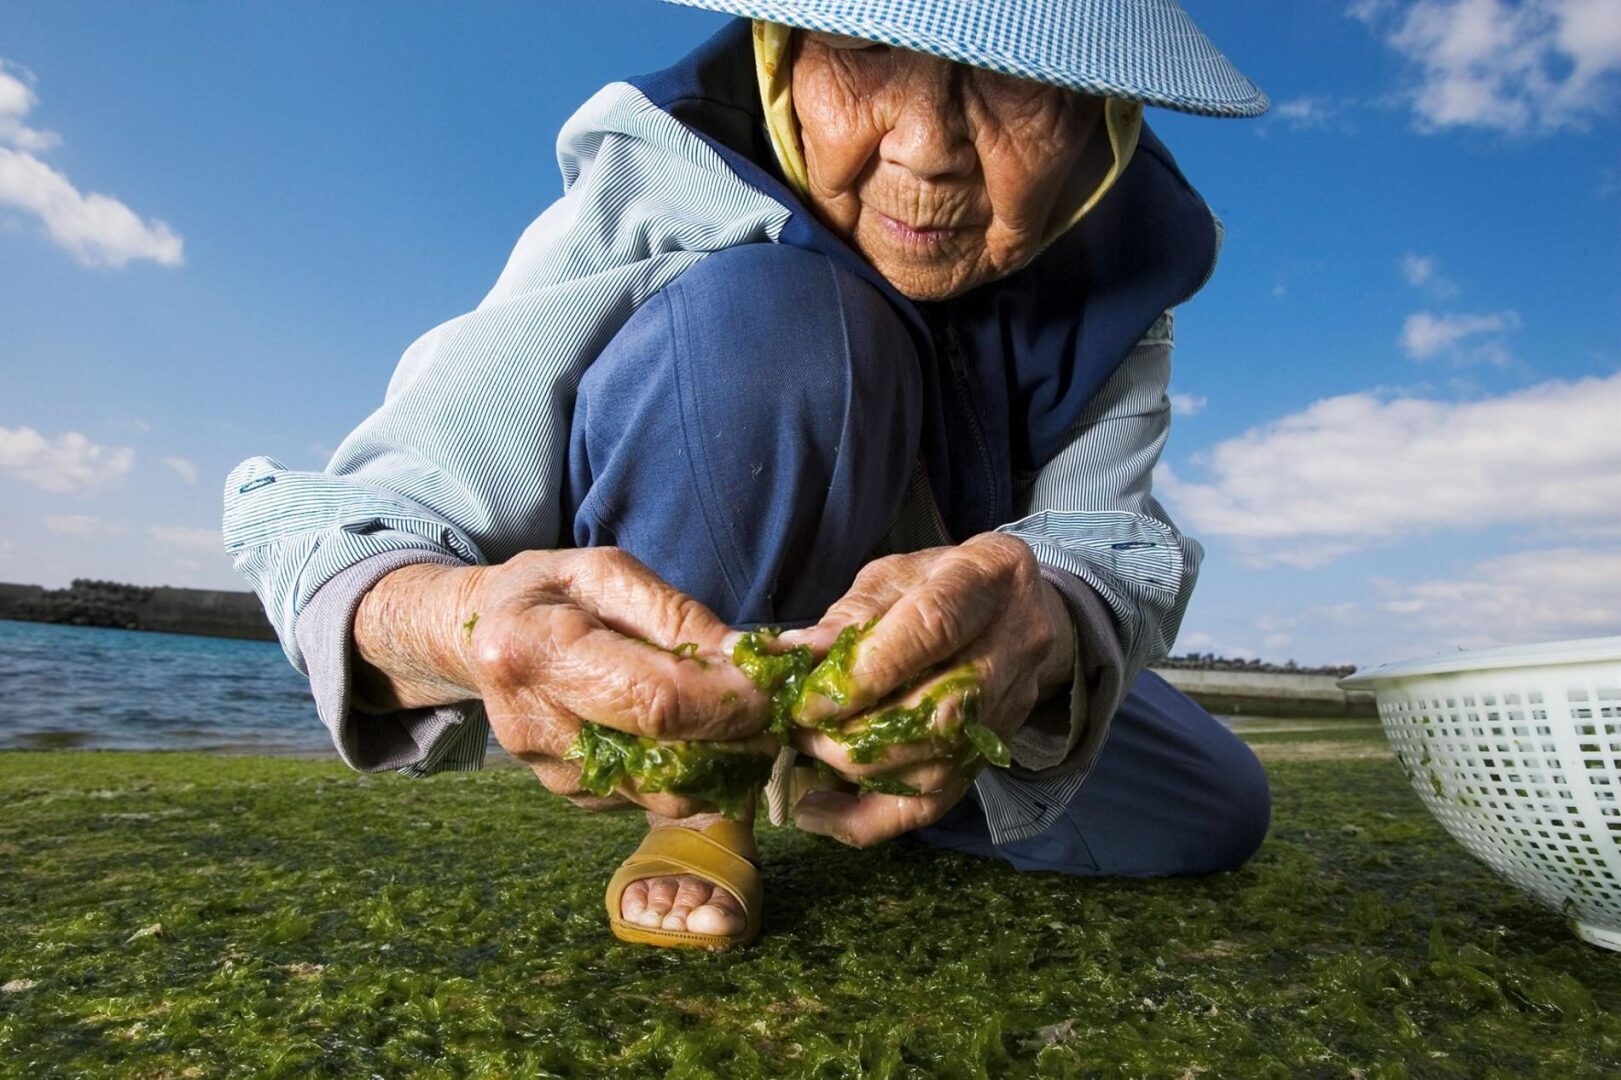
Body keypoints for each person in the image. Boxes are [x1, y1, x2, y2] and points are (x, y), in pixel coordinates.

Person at [223, 0, 1274, 950]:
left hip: (927, 660)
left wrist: (1043, 623)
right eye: (864, 50)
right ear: (781, 50)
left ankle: (865, 765)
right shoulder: (662, 175)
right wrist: (454, 619)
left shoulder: (1124, 255)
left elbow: (1101, 532)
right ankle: (704, 800)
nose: (926, 149)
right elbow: (349, 526)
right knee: (776, 325)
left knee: (1212, 808)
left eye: (1016, 83)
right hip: (700, 610)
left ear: (1105, 119)